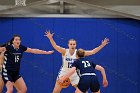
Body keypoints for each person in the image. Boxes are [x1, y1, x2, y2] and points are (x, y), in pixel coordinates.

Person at [44, 31, 109, 93]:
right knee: (55, 91)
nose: (72, 45)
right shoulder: (64, 51)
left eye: (74, 44)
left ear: (76, 45)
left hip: (74, 74)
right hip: (64, 72)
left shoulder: (78, 52)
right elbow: (55, 46)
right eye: (71, 44)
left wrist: (102, 45)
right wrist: (50, 38)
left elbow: (92, 52)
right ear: (68, 45)